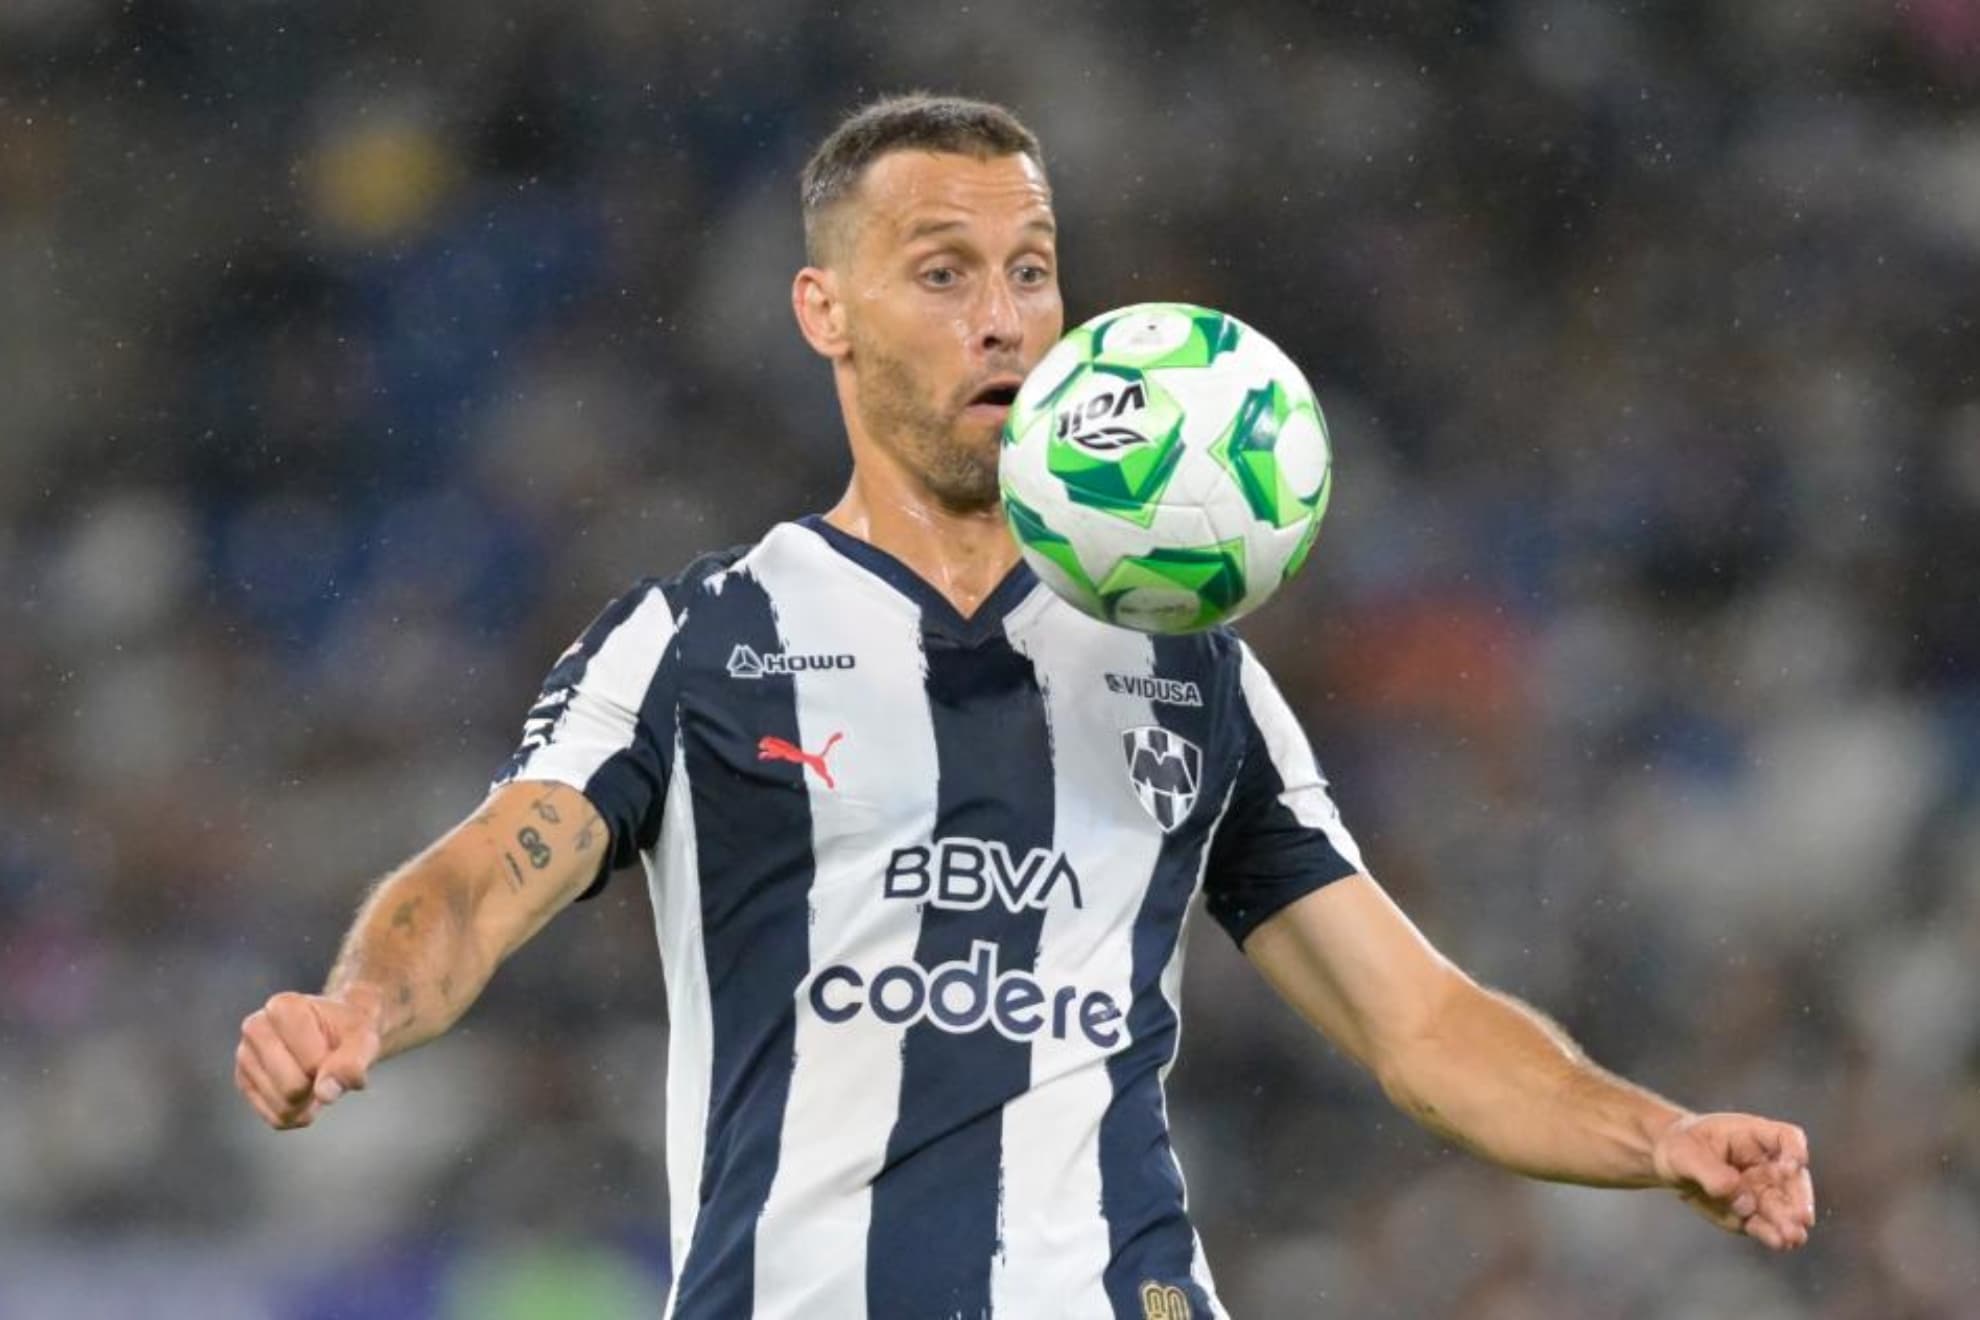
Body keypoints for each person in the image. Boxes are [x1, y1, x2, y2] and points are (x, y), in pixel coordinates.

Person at [234, 93, 1816, 1319]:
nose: (1004, 315)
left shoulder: (1190, 664)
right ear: (824, 311)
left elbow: (1419, 1024)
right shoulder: (705, 637)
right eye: (942, 272)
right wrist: (360, 1009)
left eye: (1032, 271)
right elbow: (484, 874)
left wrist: (1652, 1136)